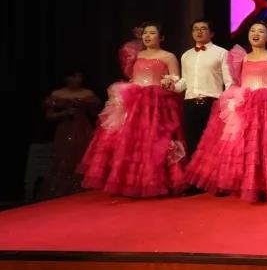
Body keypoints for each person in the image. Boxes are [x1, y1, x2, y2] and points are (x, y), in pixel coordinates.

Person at [184, 21, 267, 201]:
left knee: (266, 145)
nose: (255, 34)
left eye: (260, 31)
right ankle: (246, 184)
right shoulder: (243, 57)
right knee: (243, 146)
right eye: (252, 31)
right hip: (244, 105)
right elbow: (238, 82)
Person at [80, 22, 187, 197]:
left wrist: (170, 83)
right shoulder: (136, 55)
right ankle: (128, 182)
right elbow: (132, 76)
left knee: (155, 140)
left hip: (156, 104)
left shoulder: (168, 56)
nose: (147, 36)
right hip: (135, 103)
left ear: (161, 37)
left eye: (152, 33)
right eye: (145, 33)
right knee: (130, 141)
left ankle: (154, 182)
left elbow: (177, 80)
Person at [179, 19, 231, 163]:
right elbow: (184, 82)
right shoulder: (186, 55)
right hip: (190, 104)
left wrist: (226, 105)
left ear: (211, 33)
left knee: (212, 145)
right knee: (192, 144)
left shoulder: (222, 53)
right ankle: (193, 176)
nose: (199, 32)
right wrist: (172, 85)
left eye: (203, 28)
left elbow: (229, 82)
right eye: (195, 29)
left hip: (212, 104)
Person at [42, 71, 100, 198]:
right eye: (73, 76)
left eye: (79, 76)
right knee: (64, 158)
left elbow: (94, 114)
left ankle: (86, 190)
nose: (77, 79)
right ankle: (63, 192)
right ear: (66, 78)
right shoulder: (57, 94)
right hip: (65, 129)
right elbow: (49, 115)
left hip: (84, 130)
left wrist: (90, 105)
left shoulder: (88, 93)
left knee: (84, 156)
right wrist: (65, 113)